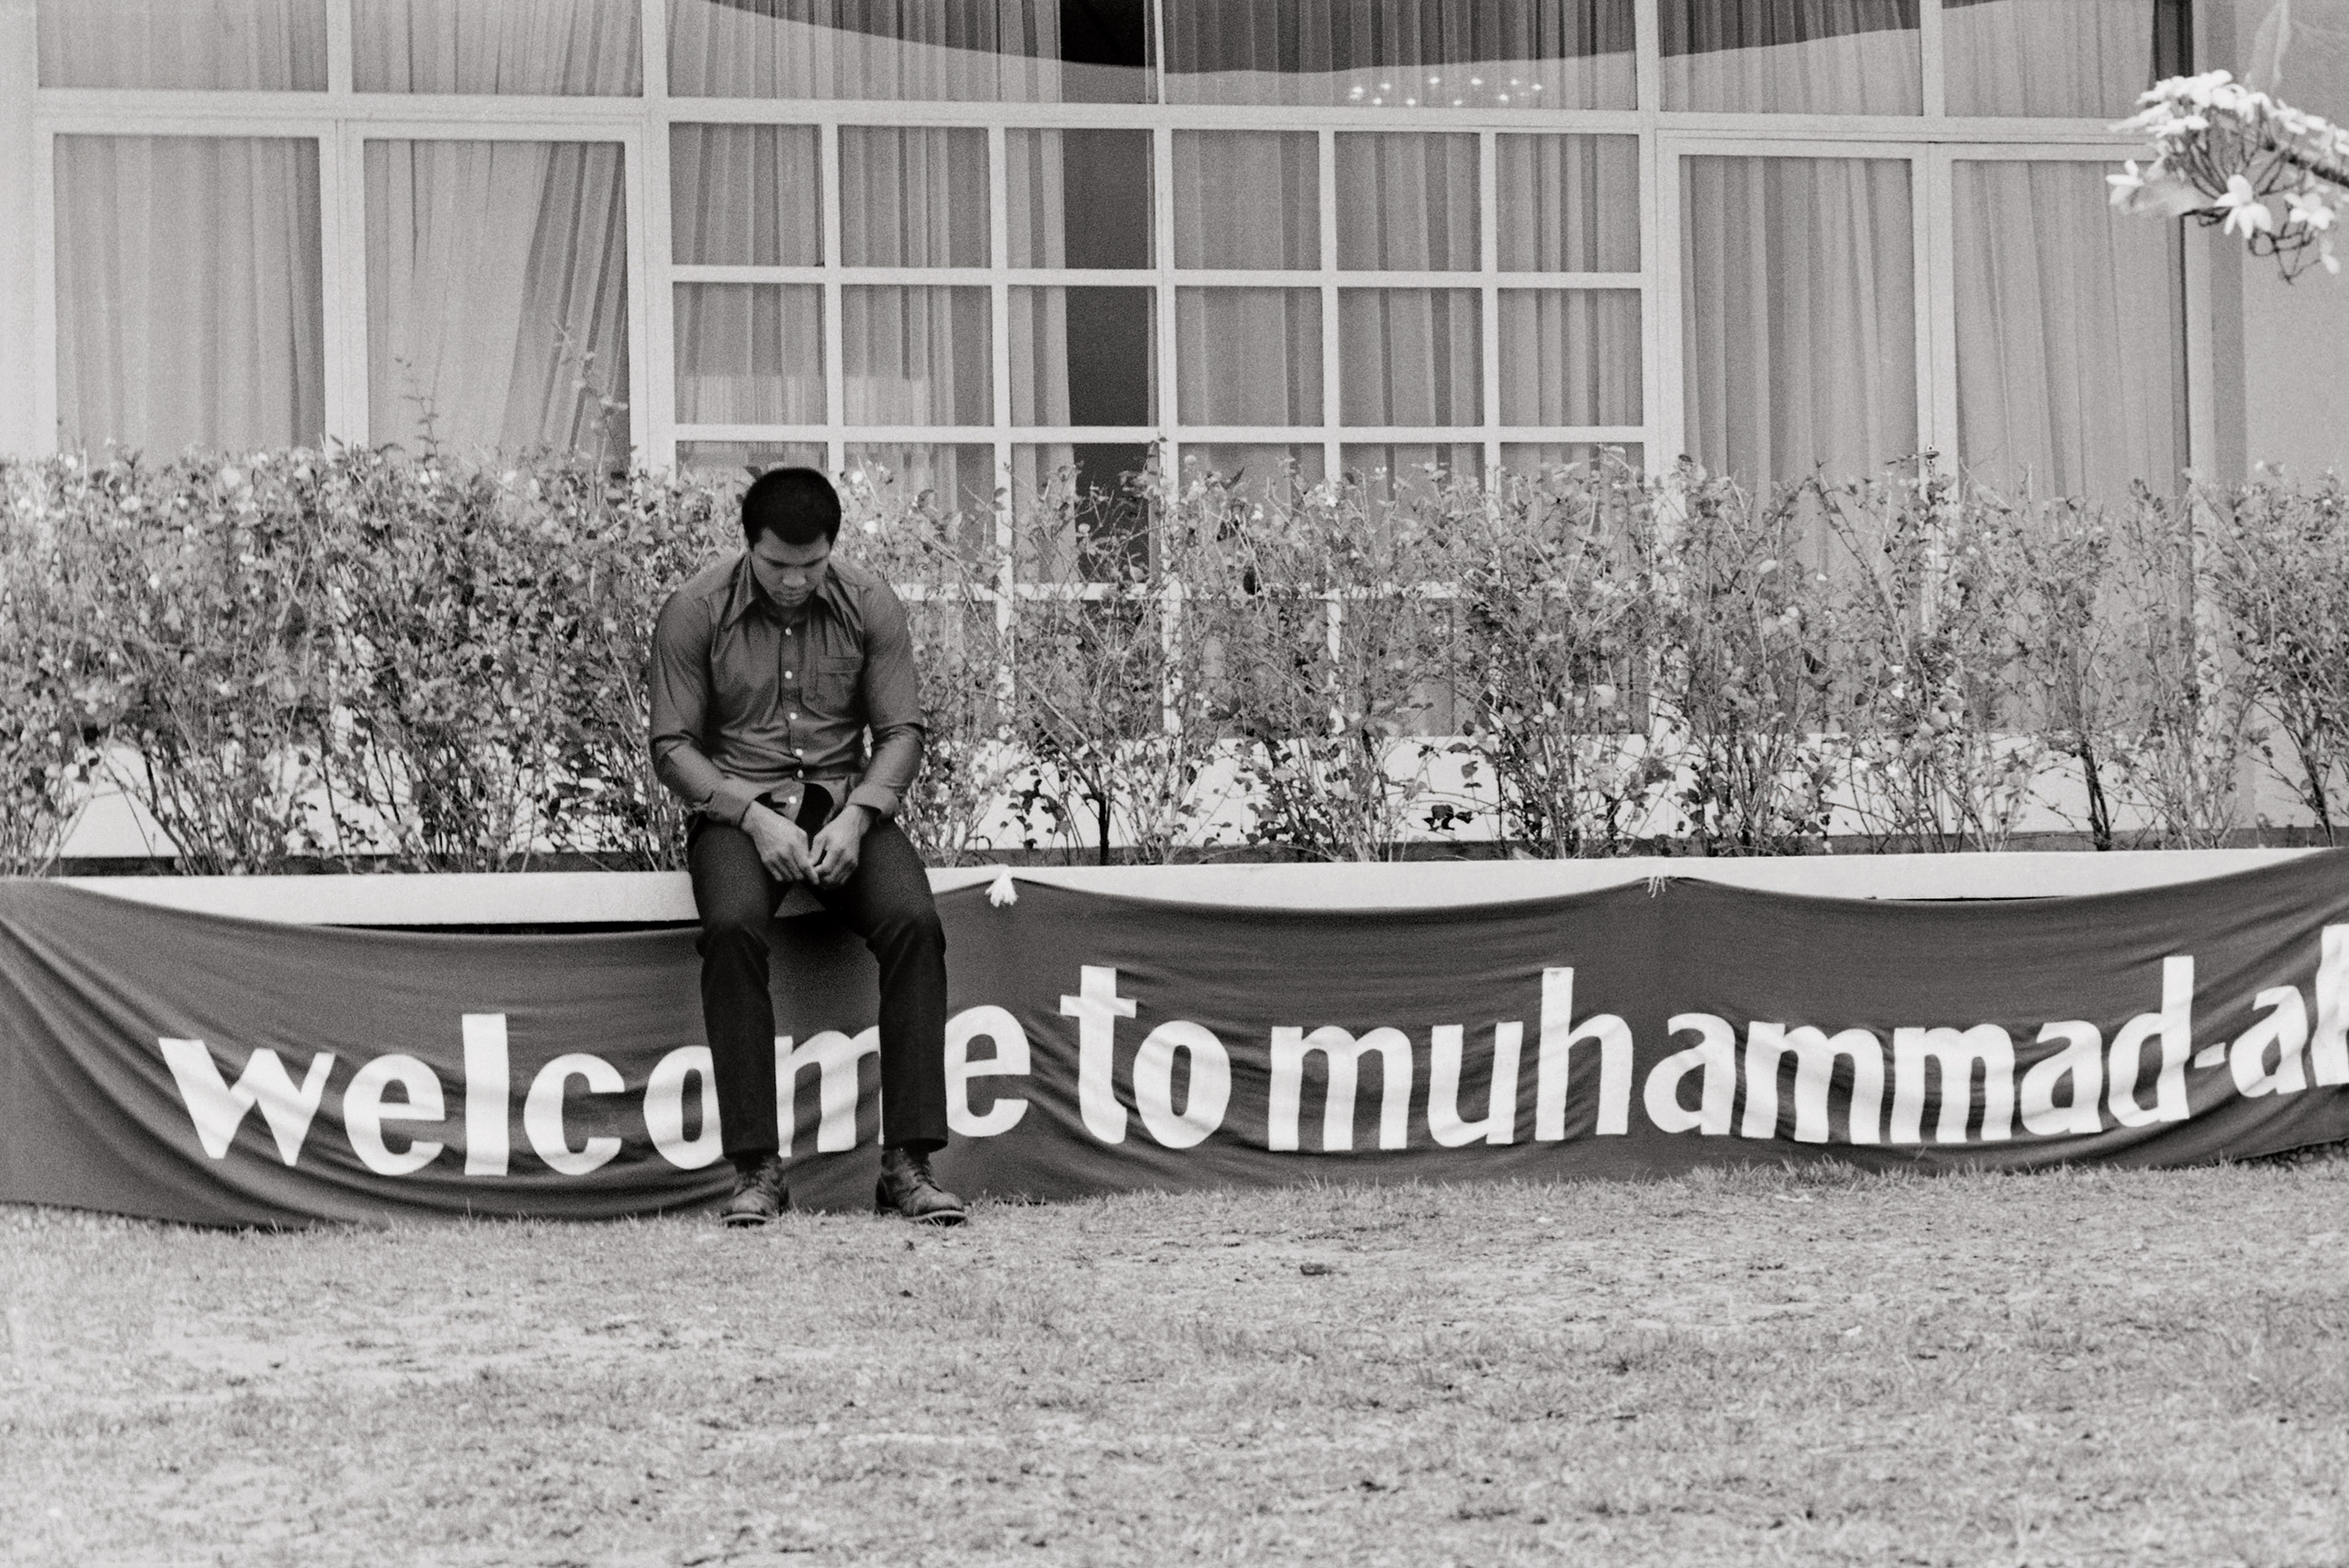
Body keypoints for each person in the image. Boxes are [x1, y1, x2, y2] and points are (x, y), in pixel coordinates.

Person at [649, 467, 965, 1228]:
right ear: (748, 545)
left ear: (833, 548)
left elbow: (900, 733)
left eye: (811, 564)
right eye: (778, 564)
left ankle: (908, 1167)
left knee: (916, 925)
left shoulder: (869, 603)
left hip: (842, 804)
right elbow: (672, 746)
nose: (794, 580)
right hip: (738, 811)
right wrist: (754, 817)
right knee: (729, 931)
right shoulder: (695, 610)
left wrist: (858, 816)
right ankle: (757, 1170)